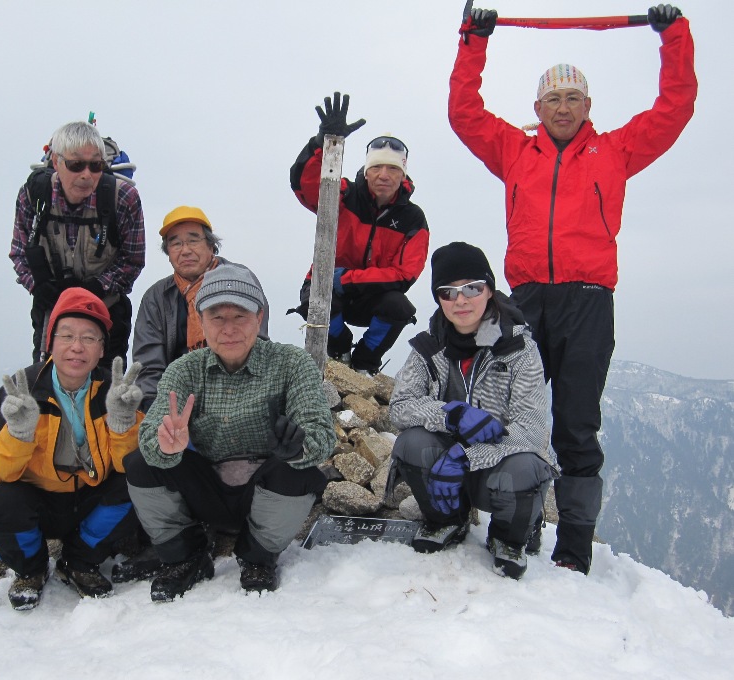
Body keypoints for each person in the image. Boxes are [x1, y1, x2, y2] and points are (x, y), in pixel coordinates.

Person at [448, 6, 697, 574]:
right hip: (526, 300)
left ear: (588, 107)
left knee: (577, 425)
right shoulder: (514, 150)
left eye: (573, 99)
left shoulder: (615, 151)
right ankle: (518, 521)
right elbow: (464, 112)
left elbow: (675, 106)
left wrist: (673, 34)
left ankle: (576, 543)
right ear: (537, 110)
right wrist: (473, 40)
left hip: (588, 302)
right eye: (552, 100)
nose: (563, 108)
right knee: (513, 420)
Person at [125, 264, 335, 601]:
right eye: (217, 317)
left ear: (259, 316)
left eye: (240, 315)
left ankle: (258, 557)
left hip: (265, 491)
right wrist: (165, 446)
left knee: (299, 470)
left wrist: (298, 446)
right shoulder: (183, 370)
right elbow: (151, 433)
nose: (229, 328)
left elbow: (322, 435)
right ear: (201, 319)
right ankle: (186, 556)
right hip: (207, 489)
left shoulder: (292, 363)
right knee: (140, 464)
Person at [388, 242, 557, 579]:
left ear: (489, 291)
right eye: (448, 292)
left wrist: (464, 457)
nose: (460, 300)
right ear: (438, 299)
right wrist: (449, 414)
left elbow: (531, 430)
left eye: (472, 288)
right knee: (410, 444)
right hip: (445, 476)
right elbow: (400, 407)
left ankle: (509, 537)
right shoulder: (428, 347)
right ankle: (446, 520)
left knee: (525, 467)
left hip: (497, 467)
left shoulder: (519, 349)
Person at [0, 287, 145, 610]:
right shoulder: (23, 390)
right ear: (50, 343)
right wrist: (19, 432)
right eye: (66, 335)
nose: (77, 347)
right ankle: (32, 569)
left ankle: (80, 561)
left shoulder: (114, 391)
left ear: (101, 351)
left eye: (89, 338)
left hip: (91, 499)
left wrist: (123, 425)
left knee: (137, 484)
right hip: (42, 502)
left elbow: (128, 466)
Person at [290, 92, 429, 375]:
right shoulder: (341, 194)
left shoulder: (412, 218)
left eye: (392, 168)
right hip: (328, 288)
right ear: (366, 171)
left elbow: (405, 274)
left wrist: (348, 280)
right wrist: (324, 141)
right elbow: (303, 184)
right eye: (376, 167)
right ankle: (339, 350)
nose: (384, 175)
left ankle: (365, 362)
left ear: (404, 174)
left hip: (369, 295)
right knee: (317, 300)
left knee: (398, 306)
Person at [9, 121, 145, 367]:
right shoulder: (33, 195)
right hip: (52, 310)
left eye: (95, 166)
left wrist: (95, 289)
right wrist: (39, 287)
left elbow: (133, 260)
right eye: (75, 164)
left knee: (105, 392)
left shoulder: (124, 198)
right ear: (56, 163)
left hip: (107, 309)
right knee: (46, 385)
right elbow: (19, 253)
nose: (86, 174)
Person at [132, 205, 269, 412]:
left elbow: (258, 345)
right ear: (168, 253)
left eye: (193, 240)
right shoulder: (156, 298)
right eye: (175, 243)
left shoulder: (240, 280)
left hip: (240, 394)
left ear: (212, 246)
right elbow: (148, 366)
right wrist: (158, 411)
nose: (185, 250)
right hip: (176, 399)